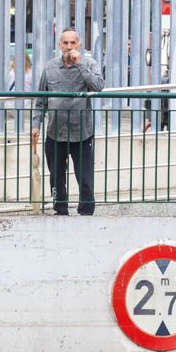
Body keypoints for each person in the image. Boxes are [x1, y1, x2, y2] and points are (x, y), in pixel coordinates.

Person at [34, 29, 104, 215]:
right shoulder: (50, 68)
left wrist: (80, 64)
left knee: (85, 178)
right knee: (56, 177)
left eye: (73, 43)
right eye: (65, 43)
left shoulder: (89, 64)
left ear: (79, 44)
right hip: (55, 132)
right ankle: (60, 209)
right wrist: (36, 125)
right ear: (59, 45)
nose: (69, 47)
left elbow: (98, 86)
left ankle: (86, 212)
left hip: (81, 132)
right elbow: (41, 100)